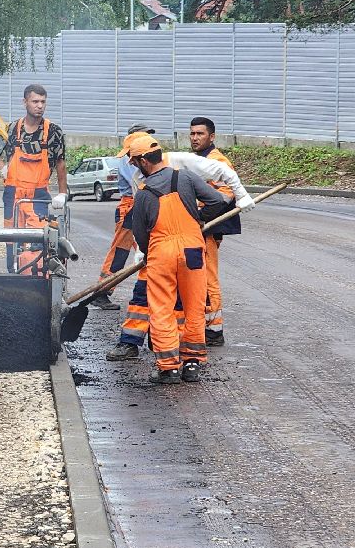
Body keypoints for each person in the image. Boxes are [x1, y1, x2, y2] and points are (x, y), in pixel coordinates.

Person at [107, 130, 254, 362]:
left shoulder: (182, 166)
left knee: (184, 301)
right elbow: (141, 219)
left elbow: (222, 176)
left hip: (184, 241)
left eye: (133, 159)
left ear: (144, 158)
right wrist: (141, 250)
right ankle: (133, 342)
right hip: (160, 243)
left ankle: (174, 354)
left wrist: (240, 196)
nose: (131, 163)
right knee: (145, 294)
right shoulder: (140, 178)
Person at [126, 134, 231, 384]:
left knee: (162, 309)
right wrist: (199, 219)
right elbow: (217, 200)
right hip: (193, 248)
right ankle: (192, 364)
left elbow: (140, 233)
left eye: (134, 163)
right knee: (194, 306)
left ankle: (168, 368)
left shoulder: (143, 193)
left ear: (143, 161)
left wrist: (148, 253)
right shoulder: (185, 176)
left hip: (161, 251)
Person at [0, 84, 67, 275]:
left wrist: (62, 193)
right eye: (35, 101)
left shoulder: (53, 131)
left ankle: (38, 278)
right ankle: (12, 275)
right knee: (11, 238)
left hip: (38, 195)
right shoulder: (13, 128)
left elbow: (61, 163)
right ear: (25, 102)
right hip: (12, 193)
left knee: (40, 238)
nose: (39, 106)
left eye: (43, 102)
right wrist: (2, 168)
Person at [89, 123, 154, 310]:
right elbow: (140, 183)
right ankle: (101, 292)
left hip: (137, 205)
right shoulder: (129, 161)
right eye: (145, 135)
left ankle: (105, 291)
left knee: (148, 250)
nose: (148, 139)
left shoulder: (142, 157)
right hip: (131, 208)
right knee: (120, 253)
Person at [189, 116, 237, 347]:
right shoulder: (198, 160)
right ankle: (205, 326)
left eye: (200, 133)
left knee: (208, 279)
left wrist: (202, 216)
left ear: (212, 136)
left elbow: (227, 195)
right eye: (192, 133)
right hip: (197, 228)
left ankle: (214, 330)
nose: (195, 137)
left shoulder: (217, 161)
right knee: (199, 279)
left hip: (207, 229)